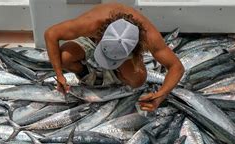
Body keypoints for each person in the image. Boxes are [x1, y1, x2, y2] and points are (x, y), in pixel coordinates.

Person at [44, 3, 184, 112]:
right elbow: (51, 34)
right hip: (92, 42)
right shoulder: (92, 23)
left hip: (119, 53)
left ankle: (115, 78)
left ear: (135, 47)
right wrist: (59, 74)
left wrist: (160, 96)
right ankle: (85, 72)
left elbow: (176, 67)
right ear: (103, 33)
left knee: (138, 80)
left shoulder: (149, 36)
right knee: (63, 59)